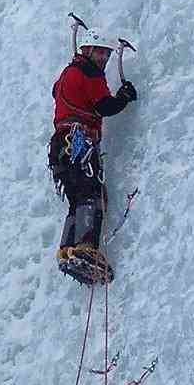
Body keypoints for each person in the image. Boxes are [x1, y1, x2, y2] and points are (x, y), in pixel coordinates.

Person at [49, 35, 138, 286]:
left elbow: (55, 91)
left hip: (60, 145)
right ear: (86, 49)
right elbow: (104, 106)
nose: (103, 58)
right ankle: (86, 247)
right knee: (91, 193)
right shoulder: (88, 73)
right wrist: (124, 97)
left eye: (106, 54)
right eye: (99, 52)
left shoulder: (68, 73)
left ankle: (68, 250)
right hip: (79, 140)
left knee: (77, 198)